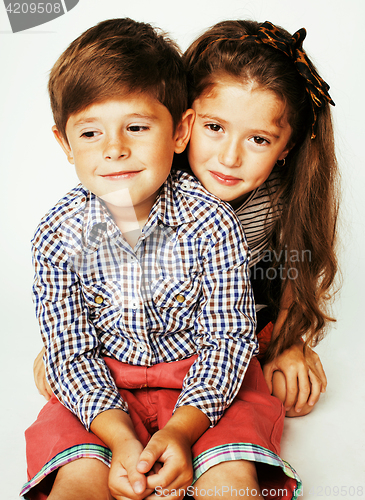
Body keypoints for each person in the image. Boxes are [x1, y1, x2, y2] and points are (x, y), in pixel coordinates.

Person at [22, 18, 301, 500]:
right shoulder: (56, 234)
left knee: (230, 479)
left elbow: (228, 340)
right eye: (90, 134)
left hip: (206, 381)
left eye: (135, 126)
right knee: (77, 479)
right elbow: (69, 354)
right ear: (64, 144)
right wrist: (121, 439)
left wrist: (181, 431)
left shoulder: (213, 222)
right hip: (103, 386)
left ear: (179, 131)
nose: (114, 149)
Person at [181, 19, 339, 417]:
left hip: (239, 321)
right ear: (184, 120)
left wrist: (287, 344)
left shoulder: (281, 195)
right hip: (149, 319)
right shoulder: (150, 183)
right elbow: (103, 269)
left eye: (258, 139)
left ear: (288, 146)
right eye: (214, 127)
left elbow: (292, 267)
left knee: (283, 389)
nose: (230, 158)